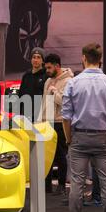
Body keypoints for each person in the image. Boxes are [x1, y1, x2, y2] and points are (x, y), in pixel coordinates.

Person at [62, 43, 106, 212]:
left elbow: (66, 117)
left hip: (79, 137)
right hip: (102, 137)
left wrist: (70, 139)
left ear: (83, 58)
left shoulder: (73, 83)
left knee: (77, 184)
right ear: (100, 59)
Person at [39, 53, 73, 195]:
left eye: (49, 67)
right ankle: (46, 186)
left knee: (60, 155)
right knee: (46, 155)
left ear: (57, 66)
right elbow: (44, 102)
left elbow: (66, 102)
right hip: (47, 122)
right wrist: (41, 119)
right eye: (46, 68)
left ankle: (61, 185)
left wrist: (55, 92)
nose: (47, 70)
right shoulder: (48, 81)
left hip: (60, 122)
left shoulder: (69, 81)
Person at [18, 47, 48, 122]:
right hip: (25, 117)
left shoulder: (46, 76)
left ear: (43, 61)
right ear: (31, 59)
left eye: (38, 57)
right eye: (34, 57)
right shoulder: (26, 76)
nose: (36, 60)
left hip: (40, 118)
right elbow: (21, 96)